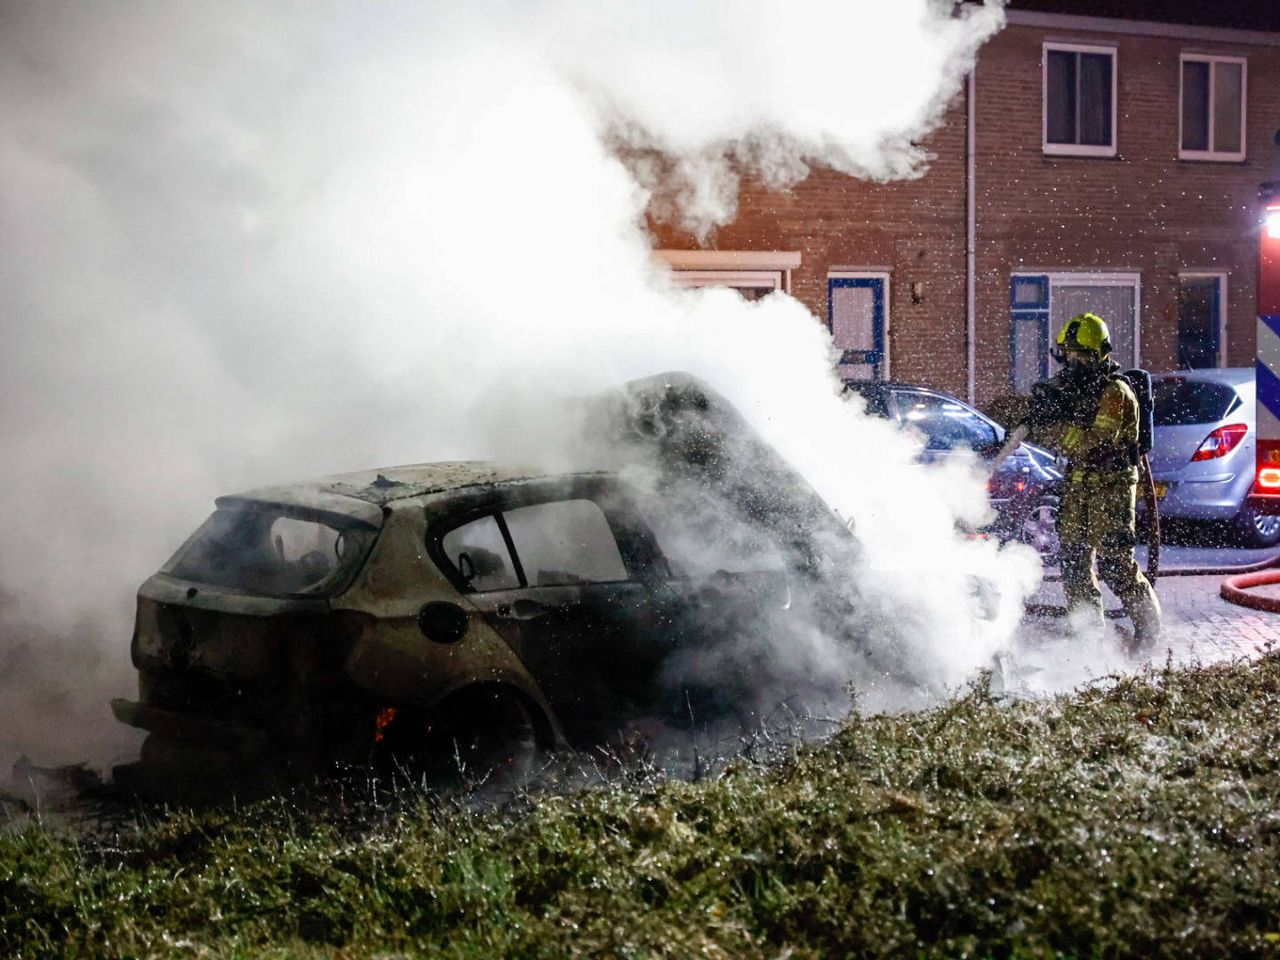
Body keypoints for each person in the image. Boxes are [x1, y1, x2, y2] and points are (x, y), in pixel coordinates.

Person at [1029, 312, 1162, 648]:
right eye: (1070, 355)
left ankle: (1148, 639)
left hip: (1111, 488)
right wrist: (1041, 410)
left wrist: (1052, 429)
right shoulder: (1076, 390)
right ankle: (1088, 641)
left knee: (1116, 567)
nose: (1074, 363)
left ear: (1100, 353)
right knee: (1074, 563)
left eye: (1081, 356)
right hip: (1078, 488)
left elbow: (1091, 443)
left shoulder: (1115, 393)